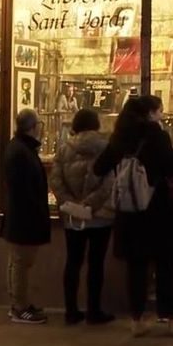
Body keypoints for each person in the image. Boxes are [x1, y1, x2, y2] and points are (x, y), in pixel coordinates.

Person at [93, 96, 173, 337]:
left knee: (136, 268)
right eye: (159, 111)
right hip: (157, 209)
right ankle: (171, 317)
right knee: (164, 264)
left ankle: (137, 319)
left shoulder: (120, 138)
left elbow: (98, 168)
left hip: (129, 212)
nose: (161, 115)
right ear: (151, 113)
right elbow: (172, 168)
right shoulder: (158, 136)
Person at [48, 109, 116, 326]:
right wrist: (90, 204)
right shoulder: (106, 148)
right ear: (96, 124)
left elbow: (56, 181)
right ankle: (94, 310)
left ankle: (71, 310)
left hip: (73, 217)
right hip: (101, 216)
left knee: (73, 262)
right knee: (96, 263)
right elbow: (109, 183)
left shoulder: (64, 149)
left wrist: (72, 204)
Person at [0, 109, 51, 324]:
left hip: (22, 216)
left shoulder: (20, 148)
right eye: (39, 123)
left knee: (19, 263)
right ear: (33, 127)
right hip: (24, 217)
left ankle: (20, 303)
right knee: (20, 263)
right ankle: (19, 307)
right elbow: (21, 187)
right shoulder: (20, 151)